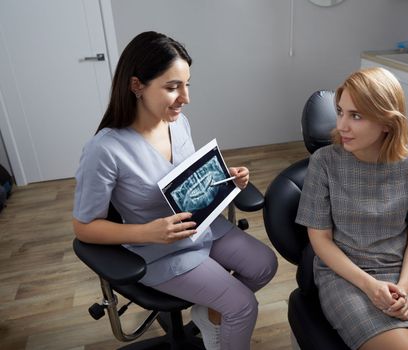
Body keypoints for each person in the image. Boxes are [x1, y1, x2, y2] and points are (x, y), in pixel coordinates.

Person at [72, 31, 277, 350]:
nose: (185, 97)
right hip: (158, 251)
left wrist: (226, 179)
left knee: (265, 264)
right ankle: (222, 317)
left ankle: (210, 315)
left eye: (187, 84)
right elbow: (83, 228)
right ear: (137, 85)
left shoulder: (178, 123)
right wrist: (147, 233)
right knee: (241, 306)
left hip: (201, 228)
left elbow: (185, 179)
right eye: (172, 87)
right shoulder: (104, 150)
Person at [295, 67, 408, 350]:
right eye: (340, 112)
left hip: (405, 272)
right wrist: (370, 286)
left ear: (387, 122)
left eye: (356, 116)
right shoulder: (325, 162)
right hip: (345, 276)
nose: (341, 126)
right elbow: (320, 240)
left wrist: (404, 289)